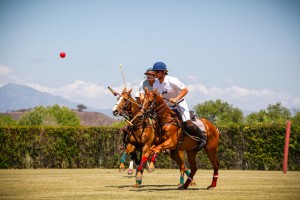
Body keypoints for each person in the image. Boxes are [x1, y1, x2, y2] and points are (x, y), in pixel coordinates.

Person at [151, 62, 206, 150]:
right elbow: (158, 97)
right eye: (155, 72)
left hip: (179, 104)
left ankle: (202, 138)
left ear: (163, 72)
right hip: (167, 106)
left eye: (157, 72)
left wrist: (176, 99)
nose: (155, 74)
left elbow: (185, 90)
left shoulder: (172, 80)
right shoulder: (155, 84)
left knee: (187, 123)